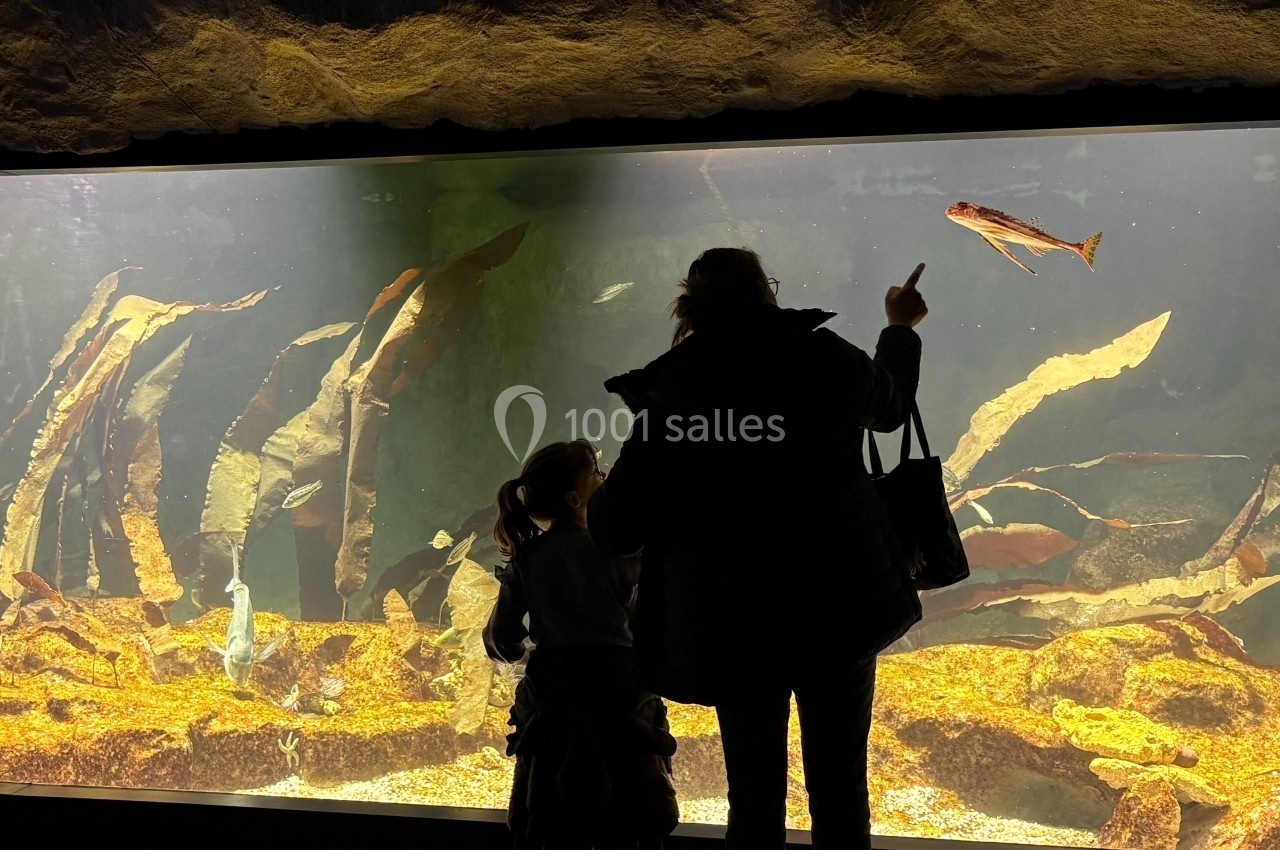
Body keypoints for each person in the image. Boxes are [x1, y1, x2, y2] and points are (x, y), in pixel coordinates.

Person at [586, 248, 928, 850]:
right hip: (838, 607)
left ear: (690, 304)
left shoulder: (676, 388)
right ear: (767, 292)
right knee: (840, 785)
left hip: (730, 621)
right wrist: (899, 328)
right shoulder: (825, 357)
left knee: (752, 792)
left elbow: (616, 528)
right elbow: (892, 407)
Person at [485, 439, 680, 850]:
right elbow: (649, 623)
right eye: (595, 473)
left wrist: (524, 654)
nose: (604, 477)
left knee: (549, 815)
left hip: (553, 695)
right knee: (635, 810)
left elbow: (501, 640)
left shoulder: (528, 558)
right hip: (623, 692)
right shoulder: (619, 553)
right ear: (575, 498)